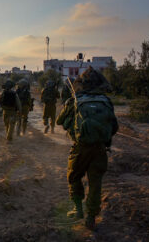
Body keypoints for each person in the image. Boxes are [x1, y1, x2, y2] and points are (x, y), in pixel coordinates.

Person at [57, 67, 118, 230]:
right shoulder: (106, 101)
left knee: (74, 177)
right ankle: (91, 218)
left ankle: (78, 209)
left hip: (80, 148)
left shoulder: (75, 100)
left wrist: (72, 124)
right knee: (95, 183)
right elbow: (114, 127)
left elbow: (59, 121)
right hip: (100, 149)